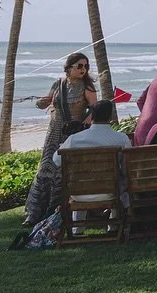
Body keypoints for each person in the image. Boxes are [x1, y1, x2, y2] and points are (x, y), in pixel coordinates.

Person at [24, 51, 100, 225]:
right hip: (54, 131)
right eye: (79, 66)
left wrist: (82, 124)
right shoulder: (58, 83)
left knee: (67, 171)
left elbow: (95, 109)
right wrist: (41, 103)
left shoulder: (87, 87)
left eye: (86, 66)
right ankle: (35, 212)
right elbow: (47, 101)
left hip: (73, 132)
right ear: (69, 67)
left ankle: (60, 209)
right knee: (46, 168)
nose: (83, 69)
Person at [52, 99, 132, 233]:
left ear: (92, 117)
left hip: (78, 193)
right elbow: (127, 168)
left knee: (82, 181)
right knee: (120, 181)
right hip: (110, 192)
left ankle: (77, 229)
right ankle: (114, 227)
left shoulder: (74, 139)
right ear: (111, 116)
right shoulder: (121, 138)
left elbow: (56, 161)